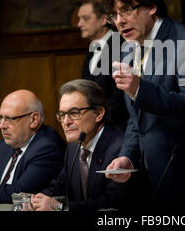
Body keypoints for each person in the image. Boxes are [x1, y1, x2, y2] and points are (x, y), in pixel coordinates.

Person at [102, 0, 185, 207]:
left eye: (126, 10)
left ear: (152, 7)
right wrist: (127, 155)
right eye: (114, 14)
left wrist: (139, 88)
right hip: (148, 178)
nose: (119, 20)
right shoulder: (128, 50)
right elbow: (138, 120)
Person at [31, 80, 134, 211]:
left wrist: (59, 207)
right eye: (62, 115)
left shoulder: (120, 149)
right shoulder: (73, 148)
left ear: (98, 113)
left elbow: (112, 203)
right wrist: (35, 201)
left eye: (74, 113)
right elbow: (60, 186)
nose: (66, 122)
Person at [78, 0, 129, 131]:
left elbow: (120, 96)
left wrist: (98, 122)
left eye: (85, 18)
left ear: (103, 19)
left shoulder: (120, 44)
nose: (79, 24)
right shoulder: (92, 50)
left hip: (117, 129)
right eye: (79, 19)